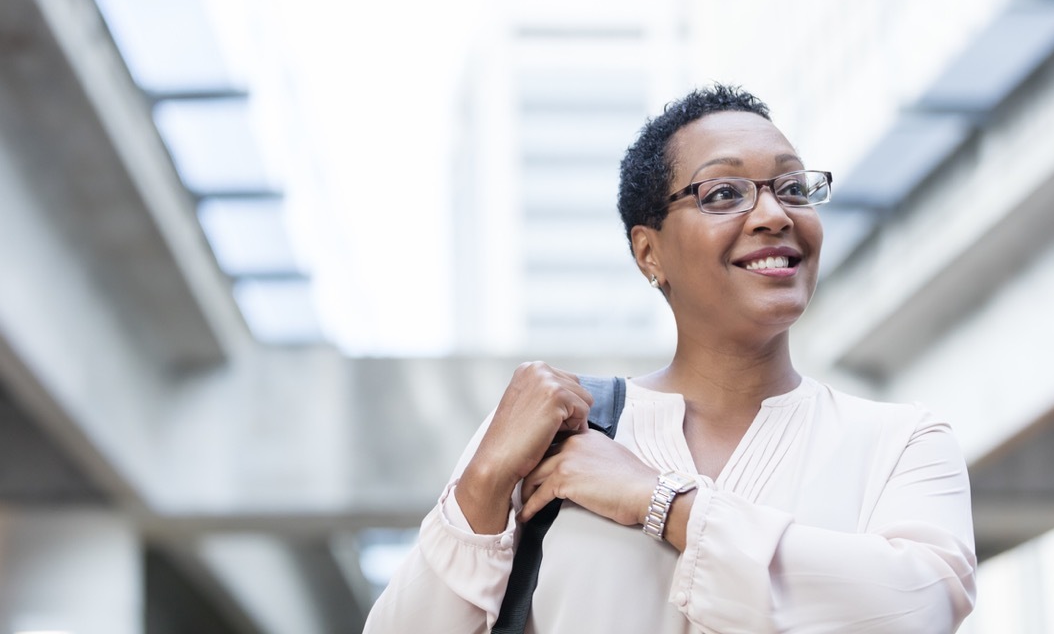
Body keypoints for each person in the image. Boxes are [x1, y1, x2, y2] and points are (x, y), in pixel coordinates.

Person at [363, 84, 977, 633]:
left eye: (793, 188)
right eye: (724, 193)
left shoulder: (901, 444)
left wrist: (659, 501)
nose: (773, 214)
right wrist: (486, 476)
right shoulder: (546, 437)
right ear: (648, 252)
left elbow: (917, 608)